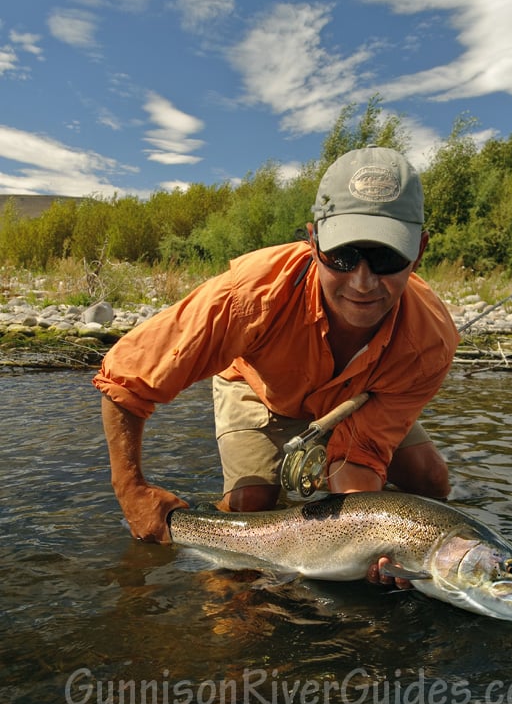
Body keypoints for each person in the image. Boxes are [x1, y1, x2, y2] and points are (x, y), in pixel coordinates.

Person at [93, 145, 460, 584]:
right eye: (343, 257)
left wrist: (372, 542)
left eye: (386, 259)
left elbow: (358, 455)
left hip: (361, 399)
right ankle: (225, 588)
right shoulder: (251, 293)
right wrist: (132, 491)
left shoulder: (430, 338)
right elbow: (125, 378)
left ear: (418, 252)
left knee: (432, 483)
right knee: (253, 501)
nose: (363, 283)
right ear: (313, 241)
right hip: (257, 385)